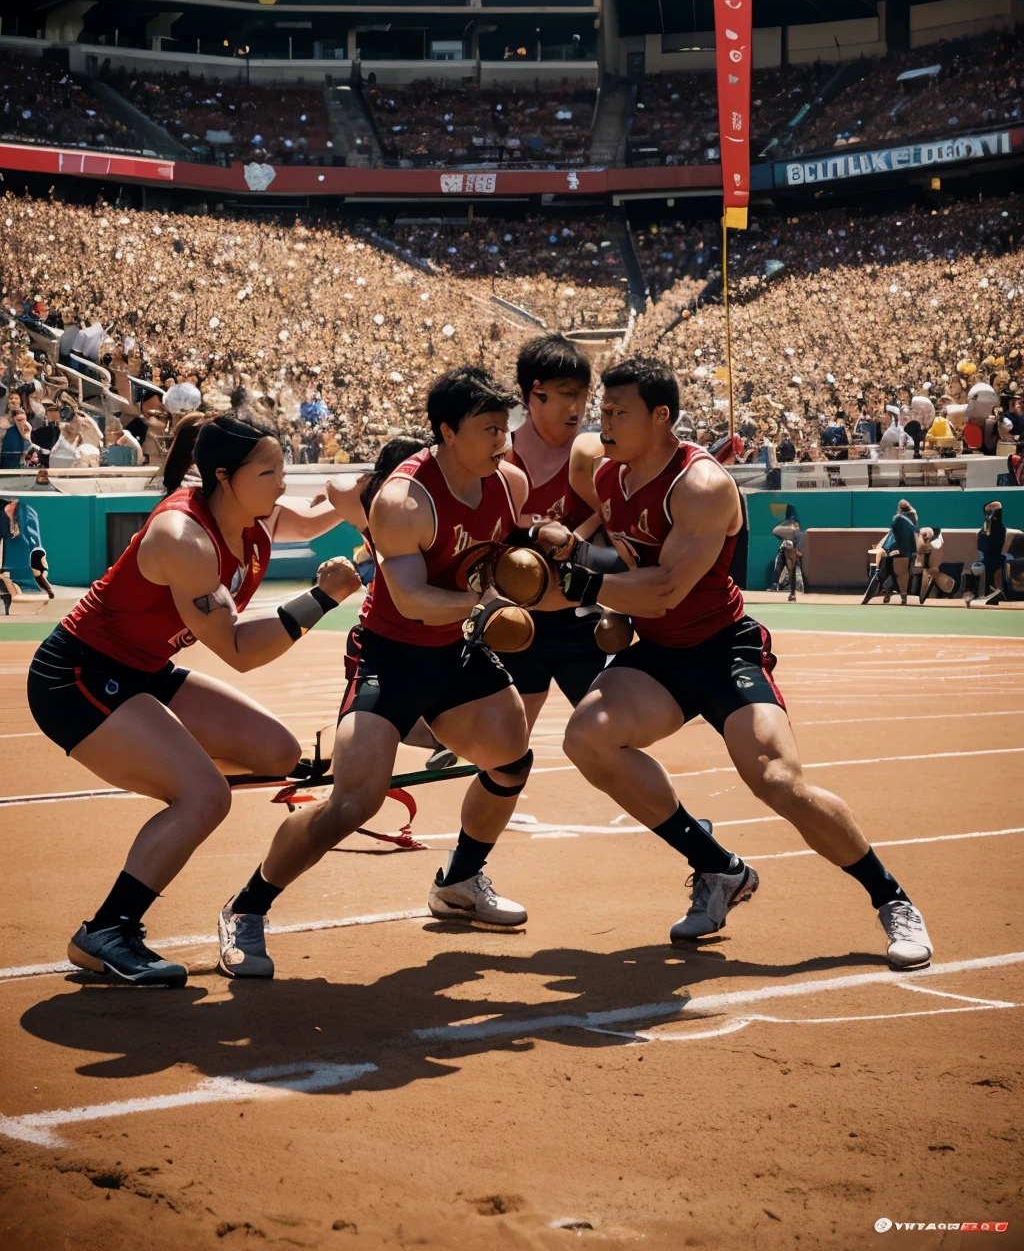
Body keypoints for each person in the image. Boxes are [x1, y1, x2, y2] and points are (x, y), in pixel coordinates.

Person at [549, 357, 932, 970]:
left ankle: (892, 899)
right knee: (586, 739)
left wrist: (577, 578)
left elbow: (667, 587)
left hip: (721, 648)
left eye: (618, 412)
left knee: (778, 781)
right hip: (657, 653)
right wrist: (575, 549)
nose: (603, 423)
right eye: (603, 411)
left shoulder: (700, 485)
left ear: (661, 416)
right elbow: (626, 559)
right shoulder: (599, 466)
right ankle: (717, 867)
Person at [220, 367, 542, 979]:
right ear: (446, 432)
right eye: (488, 429)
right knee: (354, 802)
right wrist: (493, 606)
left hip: (455, 649)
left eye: (506, 427)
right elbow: (415, 598)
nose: (503, 441)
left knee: (510, 758)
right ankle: (246, 907)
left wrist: (544, 571)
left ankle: (460, 881)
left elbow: (502, 560)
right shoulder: (403, 500)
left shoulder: (510, 484)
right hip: (392, 654)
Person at [26, 414, 363, 988]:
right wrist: (322, 598)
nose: (283, 481)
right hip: (77, 677)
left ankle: (177, 776)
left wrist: (361, 499)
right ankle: (107, 931)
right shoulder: (183, 538)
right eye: (271, 471)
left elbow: (310, 522)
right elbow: (237, 649)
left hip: (142, 670)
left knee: (278, 753)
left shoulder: (250, 513)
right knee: (205, 798)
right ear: (225, 477)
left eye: (284, 468)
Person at [501, 335, 607, 731]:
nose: (577, 408)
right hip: (514, 624)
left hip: (580, 620)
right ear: (535, 393)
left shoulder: (597, 459)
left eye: (583, 395)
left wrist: (579, 537)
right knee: (505, 754)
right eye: (566, 394)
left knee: (607, 740)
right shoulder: (499, 457)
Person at [863, 499, 918, 605]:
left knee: (887, 571)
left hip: (893, 549)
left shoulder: (897, 518)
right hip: (906, 551)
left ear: (899, 509)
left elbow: (893, 531)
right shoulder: (913, 521)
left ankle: (886, 591)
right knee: (902, 574)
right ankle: (902, 597)